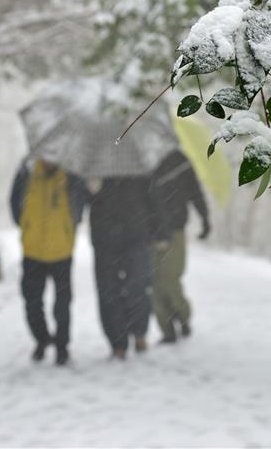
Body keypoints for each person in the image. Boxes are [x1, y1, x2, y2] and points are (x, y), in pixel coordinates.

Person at [10, 158, 88, 365]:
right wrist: (26, 225)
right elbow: (14, 204)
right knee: (32, 302)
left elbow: (80, 208)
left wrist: (68, 226)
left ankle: (62, 346)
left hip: (61, 251)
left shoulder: (71, 175)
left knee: (62, 304)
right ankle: (42, 339)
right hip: (32, 250)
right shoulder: (26, 172)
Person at [88, 176, 156, 360]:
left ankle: (139, 333)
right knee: (108, 292)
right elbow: (78, 200)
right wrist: (90, 190)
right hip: (104, 239)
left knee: (138, 288)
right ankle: (118, 343)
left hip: (136, 236)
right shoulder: (95, 167)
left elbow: (152, 197)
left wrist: (158, 230)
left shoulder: (139, 166)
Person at [148, 150, 210, 343]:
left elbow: (194, 190)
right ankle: (167, 330)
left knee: (170, 280)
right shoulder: (139, 161)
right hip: (149, 232)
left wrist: (204, 217)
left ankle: (183, 318)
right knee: (155, 283)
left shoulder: (178, 161)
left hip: (175, 229)